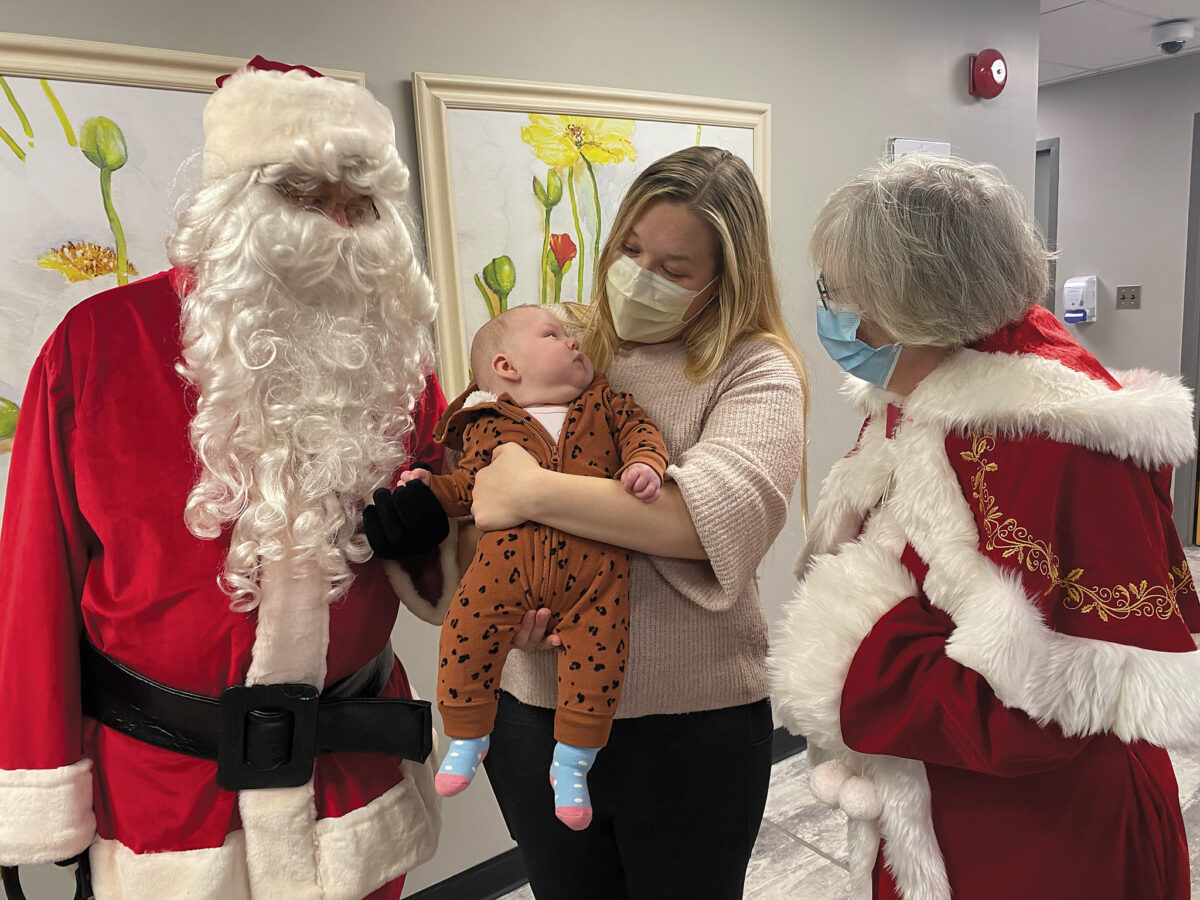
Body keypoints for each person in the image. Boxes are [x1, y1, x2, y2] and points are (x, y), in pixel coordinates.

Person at [0, 57, 451, 900]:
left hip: (348, 782)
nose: (337, 225)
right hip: (167, 798)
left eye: (359, 204)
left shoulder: (396, 356)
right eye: (305, 196)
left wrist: (434, 539)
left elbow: (443, 535)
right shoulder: (97, 346)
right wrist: (39, 780)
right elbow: (35, 581)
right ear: (238, 202)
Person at [769, 153, 1200, 900]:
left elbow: (1055, 706)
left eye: (838, 293)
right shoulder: (921, 391)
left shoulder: (1054, 438)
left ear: (915, 300)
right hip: (941, 800)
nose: (829, 312)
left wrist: (849, 658)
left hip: (1036, 840)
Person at [460, 146, 808, 899]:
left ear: (725, 279)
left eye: (673, 269)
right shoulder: (571, 344)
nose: (639, 275)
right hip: (536, 712)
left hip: (690, 727)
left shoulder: (754, 368)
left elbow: (701, 520)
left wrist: (531, 490)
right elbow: (479, 481)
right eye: (630, 249)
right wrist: (508, 593)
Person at [376, 303, 668, 831]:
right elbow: (467, 486)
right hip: (502, 572)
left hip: (596, 576)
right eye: (553, 334)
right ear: (507, 367)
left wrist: (646, 462)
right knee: (466, 631)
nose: (573, 341)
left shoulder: (607, 403)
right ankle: (468, 736)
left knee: (601, 661)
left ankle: (573, 764)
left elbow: (641, 432)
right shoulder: (487, 425)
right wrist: (428, 490)